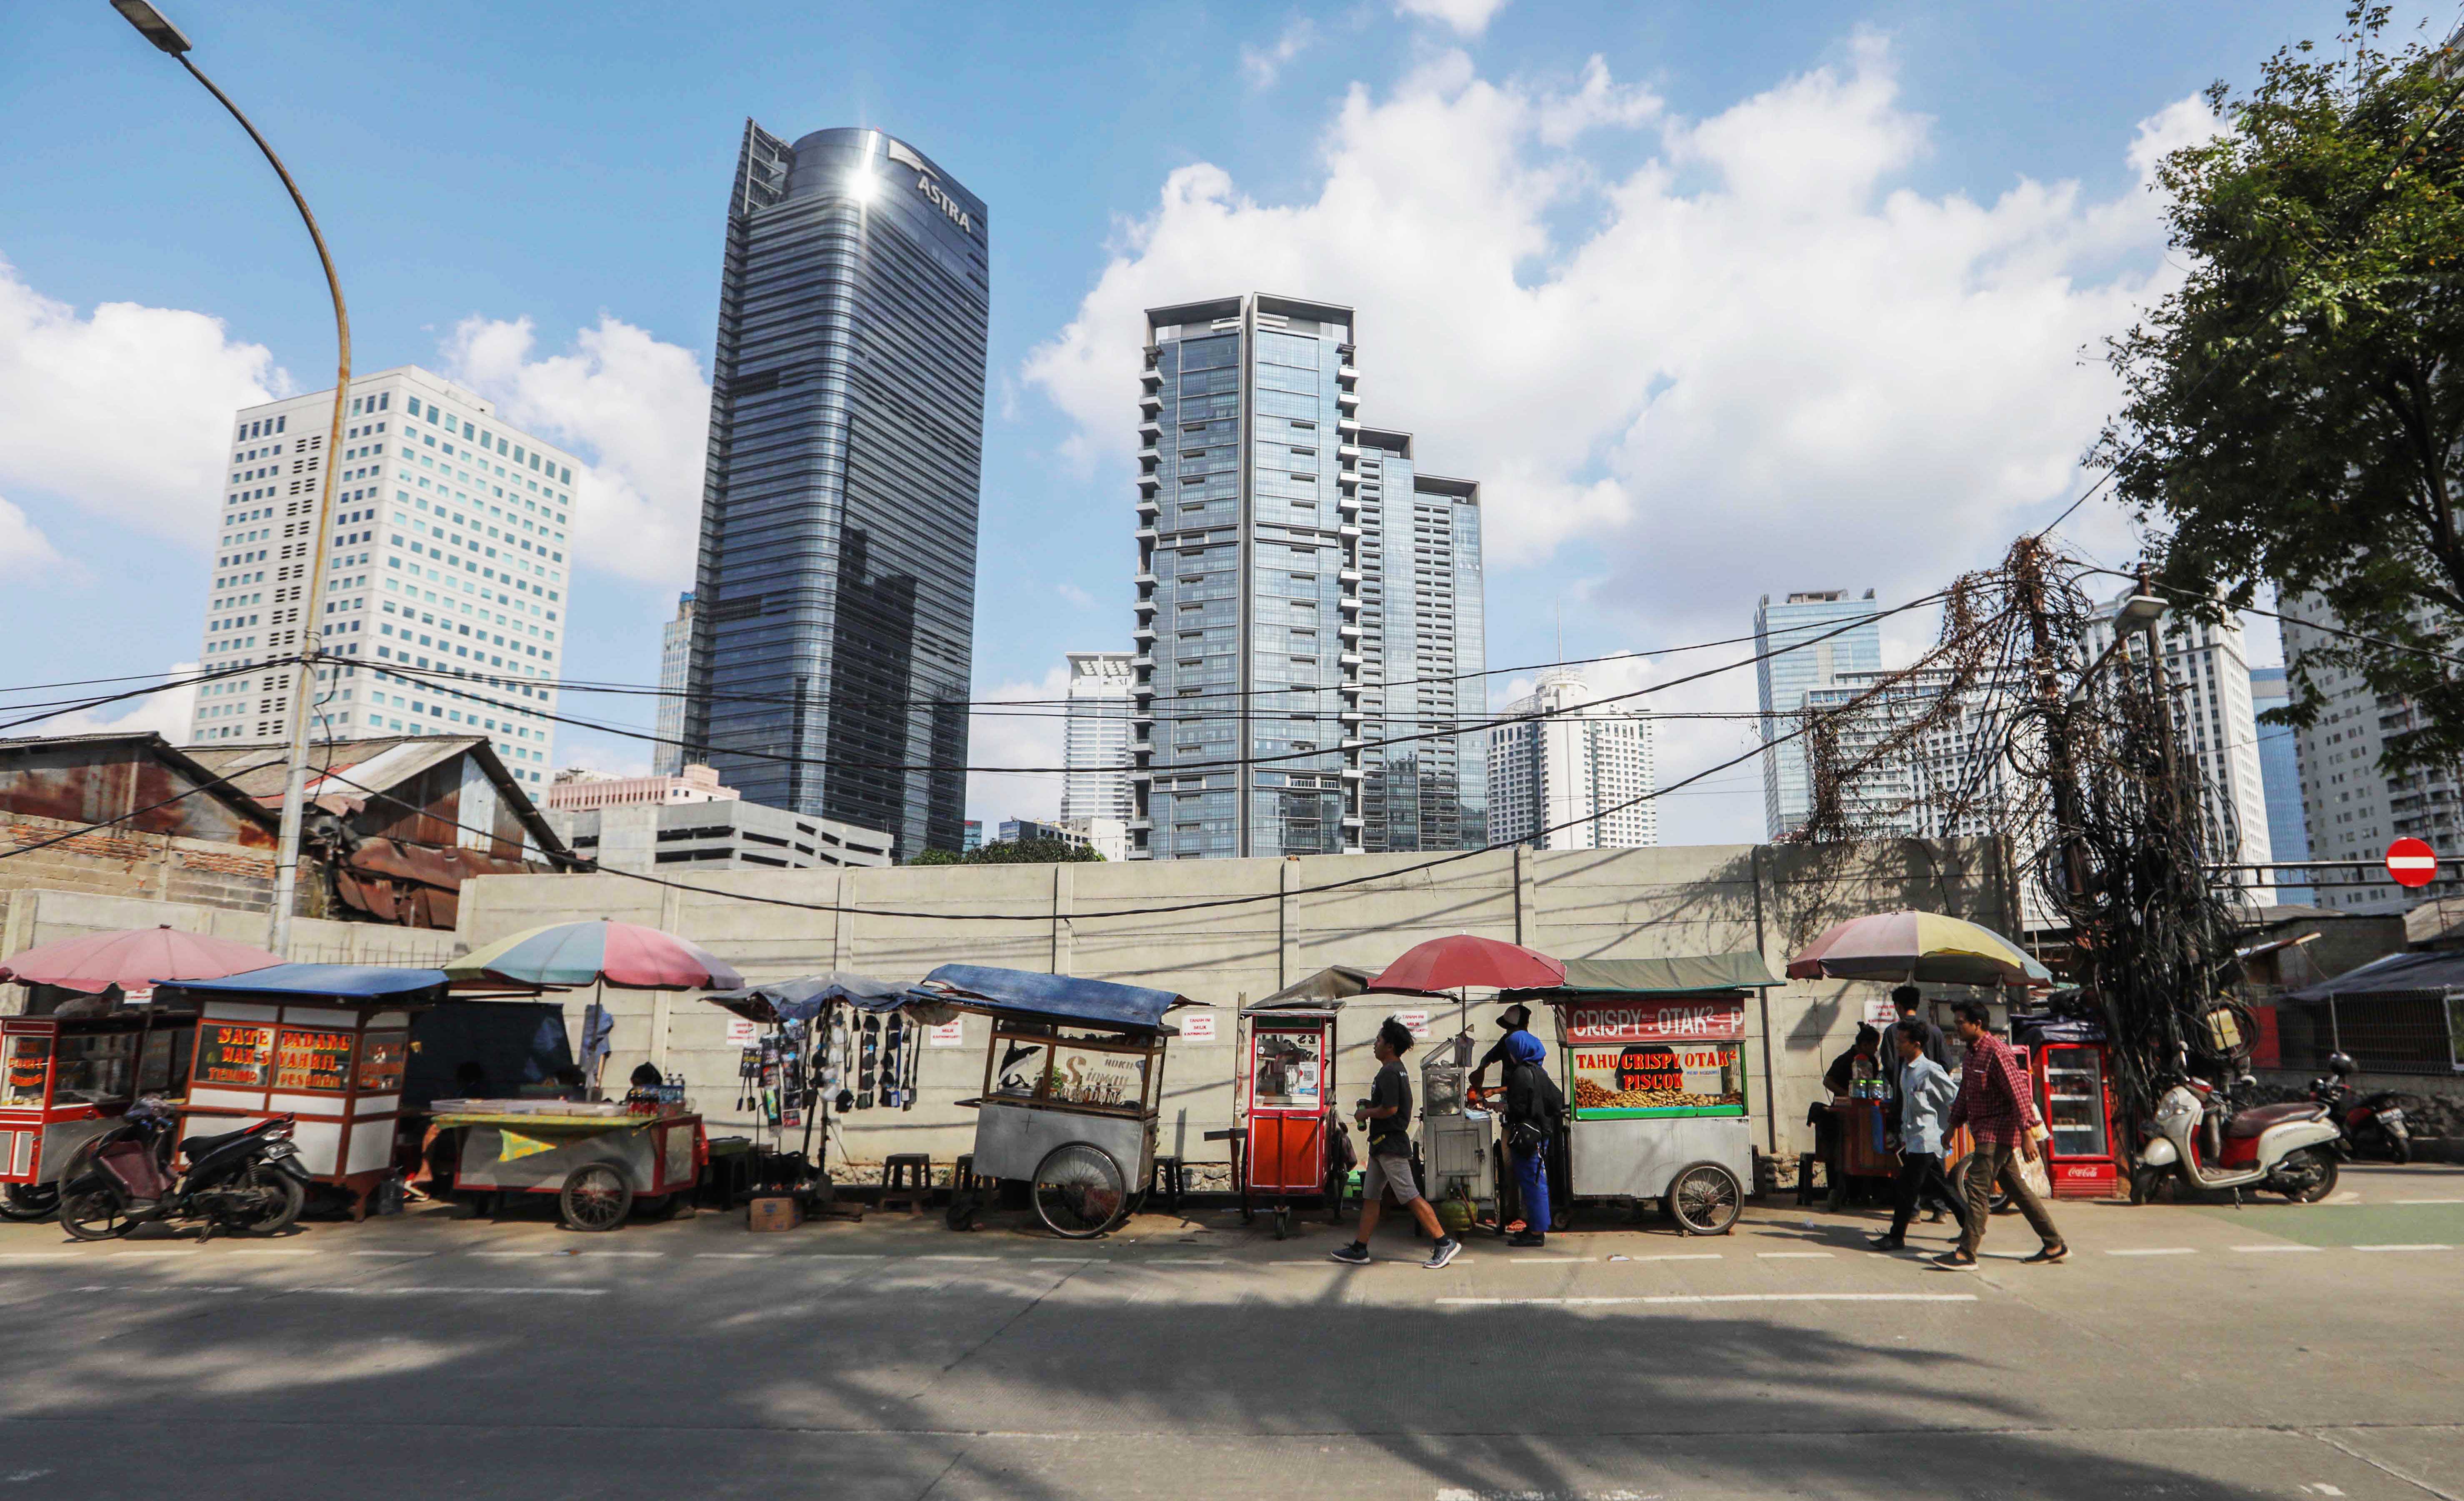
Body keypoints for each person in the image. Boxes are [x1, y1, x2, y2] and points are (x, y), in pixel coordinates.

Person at [1939, 1001, 2067, 1268]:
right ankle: (2054, 1244)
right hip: (1984, 1130)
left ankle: (1966, 1253)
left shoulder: (1997, 1052)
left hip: (1997, 1132)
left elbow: (2019, 1093)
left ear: (1978, 1025)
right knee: (2018, 1191)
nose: (1957, 1027)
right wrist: (1952, 1126)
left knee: (1977, 1187)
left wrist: (2028, 1132)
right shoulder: (1972, 1053)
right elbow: (1965, 1094)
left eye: (1962, 1022)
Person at [1330, 1018, 1463, 1269]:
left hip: (1391, 1145)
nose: (1375, 1045)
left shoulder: (1390, 1072)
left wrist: (1365, 1114)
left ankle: (1444, 1242)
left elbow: (1391, 1109)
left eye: (1378, 1041)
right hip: (1381, 1145)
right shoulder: (1394, 1070)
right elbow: (1388, 1106)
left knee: (1409, 1196)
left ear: (1389, 1046)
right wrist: (1371, 1107)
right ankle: (1360, 1248)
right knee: (1371, 1197)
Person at [1870, 1022, 1969, 1251]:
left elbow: (1955, 1099)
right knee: (1941, 1186)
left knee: (1907, 1189)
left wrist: (1950, 1128)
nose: (1897, 1045)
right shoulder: (1906, 1068)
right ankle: (1971, 1224)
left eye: (1902, 1041)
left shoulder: (1930, 1070)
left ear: (1916, 1044)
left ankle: (1897, 1236)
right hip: (1913, 1139)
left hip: (1927, 1138)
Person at [1502, 1030, 1565, 1248]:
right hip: (1539, 1134)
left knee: (1533, 1182)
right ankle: (1534, 1227)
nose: (1510, 1055)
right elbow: (1557, 1101)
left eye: (1511, 1051)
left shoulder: (1521, 1073)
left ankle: (1537, 1232)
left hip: (1529, 1137)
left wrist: (1505, 1108)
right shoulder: (1540, 1071)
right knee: (1534, 1181)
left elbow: (1518, 1108)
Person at [1469, 1003, 1535, 1092]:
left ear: (1525, 1026)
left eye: (1512, 1029)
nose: (1508, 1032)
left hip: (1524, 1099)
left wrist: (1494, 1091)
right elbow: (1488, 1057)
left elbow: (1524, 1085)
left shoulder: (1530, 1047)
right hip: (1508, 1098)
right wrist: (1481, 1069)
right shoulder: (1506, 1041)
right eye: (1507, 1029)